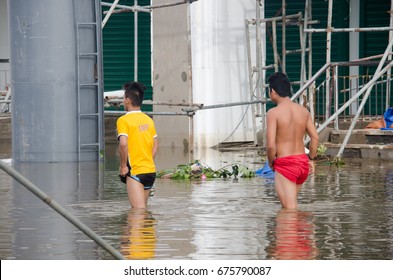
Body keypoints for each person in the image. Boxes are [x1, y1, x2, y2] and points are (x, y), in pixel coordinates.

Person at [266, 72, 319, 209]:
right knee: (288, 208)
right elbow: (315, 138)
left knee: (289, 212)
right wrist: (311, 159)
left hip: (286, 165)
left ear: (272, 91)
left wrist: (271, 162)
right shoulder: (303, 111)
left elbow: (271, 146)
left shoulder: (273, 113)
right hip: (302, 164)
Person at [117, 82, 158, 208]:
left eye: (124, 98)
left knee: (138, 212)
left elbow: (123, 144)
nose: (123, 101)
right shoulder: (148, 119)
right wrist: (146, 161)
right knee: (142, 210)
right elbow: (155, 144)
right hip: (150, 171)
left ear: (128, 100)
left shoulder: (123, 120)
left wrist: (123, 166)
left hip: (135, 173)